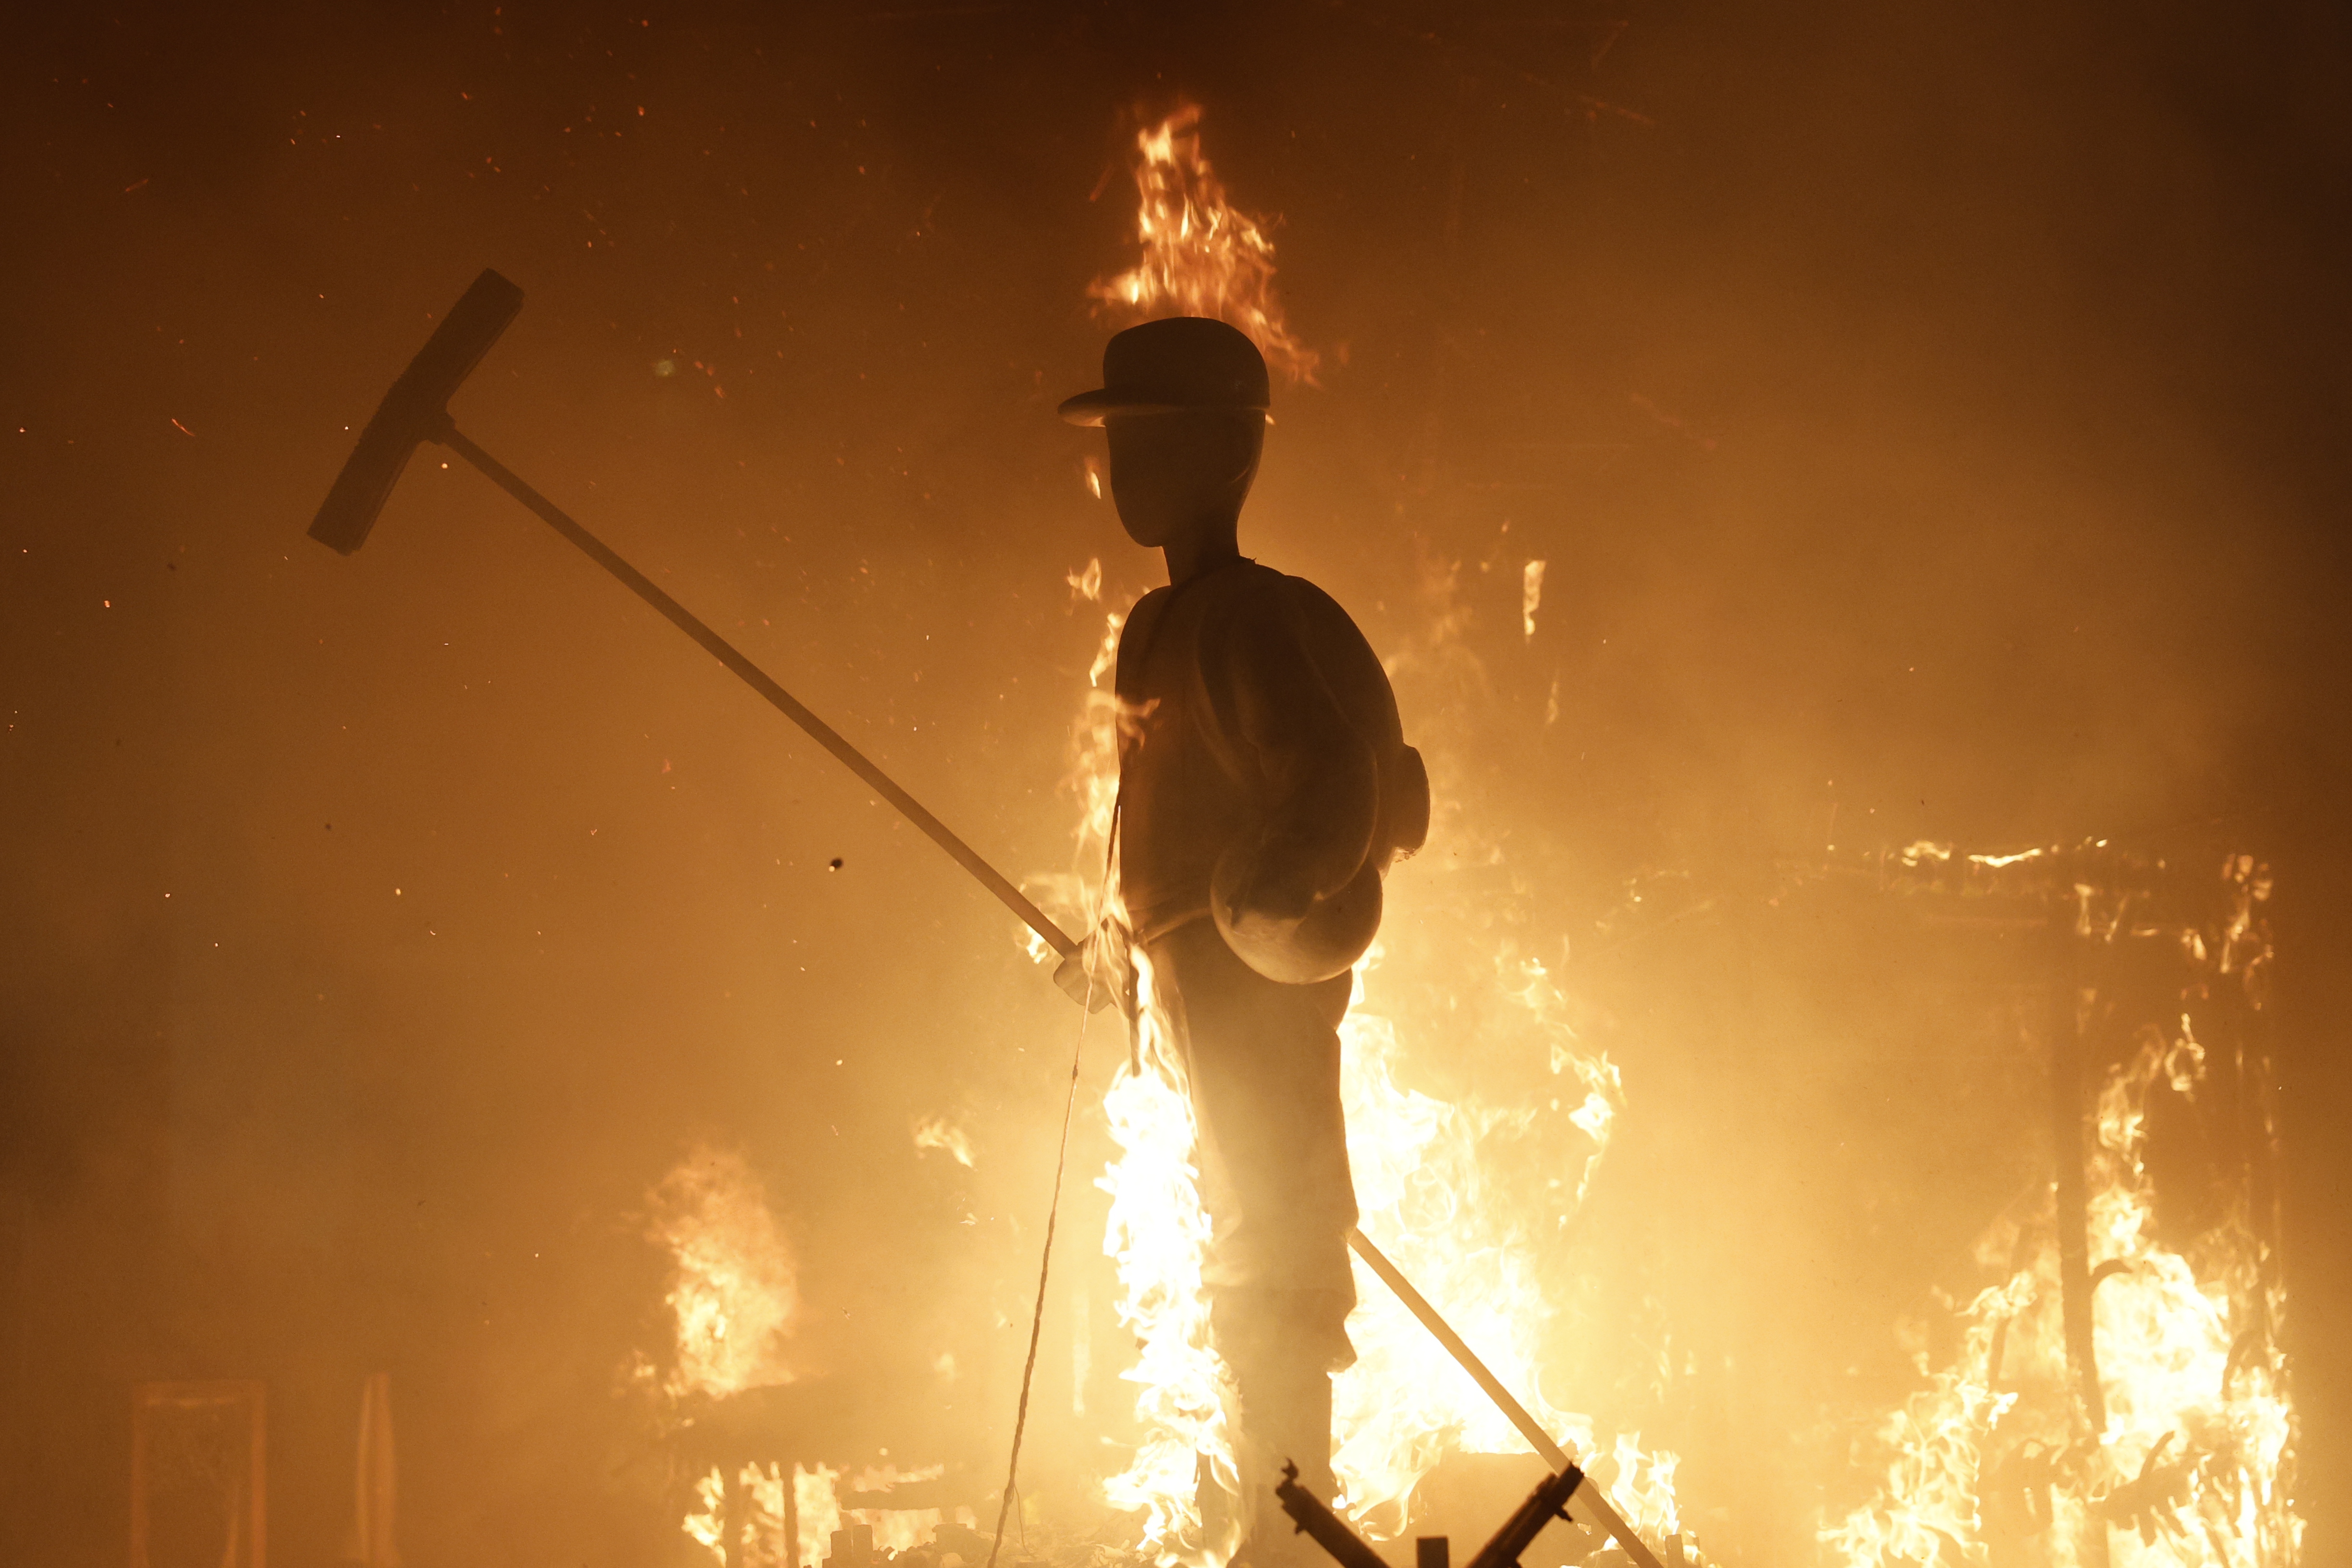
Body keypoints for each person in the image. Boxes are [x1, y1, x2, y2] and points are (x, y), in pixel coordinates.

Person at [1057, 318, 1429, 1560]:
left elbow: (1334, 784)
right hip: (1186, 966)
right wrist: (1114, 937)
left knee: (1276, 1225)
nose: (1118, 467)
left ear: (1223, 452)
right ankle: (1276, 1503)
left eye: (1142, 438)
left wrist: (1259, 909)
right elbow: (1146, 821)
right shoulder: (1154, 632)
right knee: (1238, 1221)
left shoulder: (1250, 621)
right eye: (1113, 443)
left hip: (1256, 971)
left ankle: (1293, 1510)